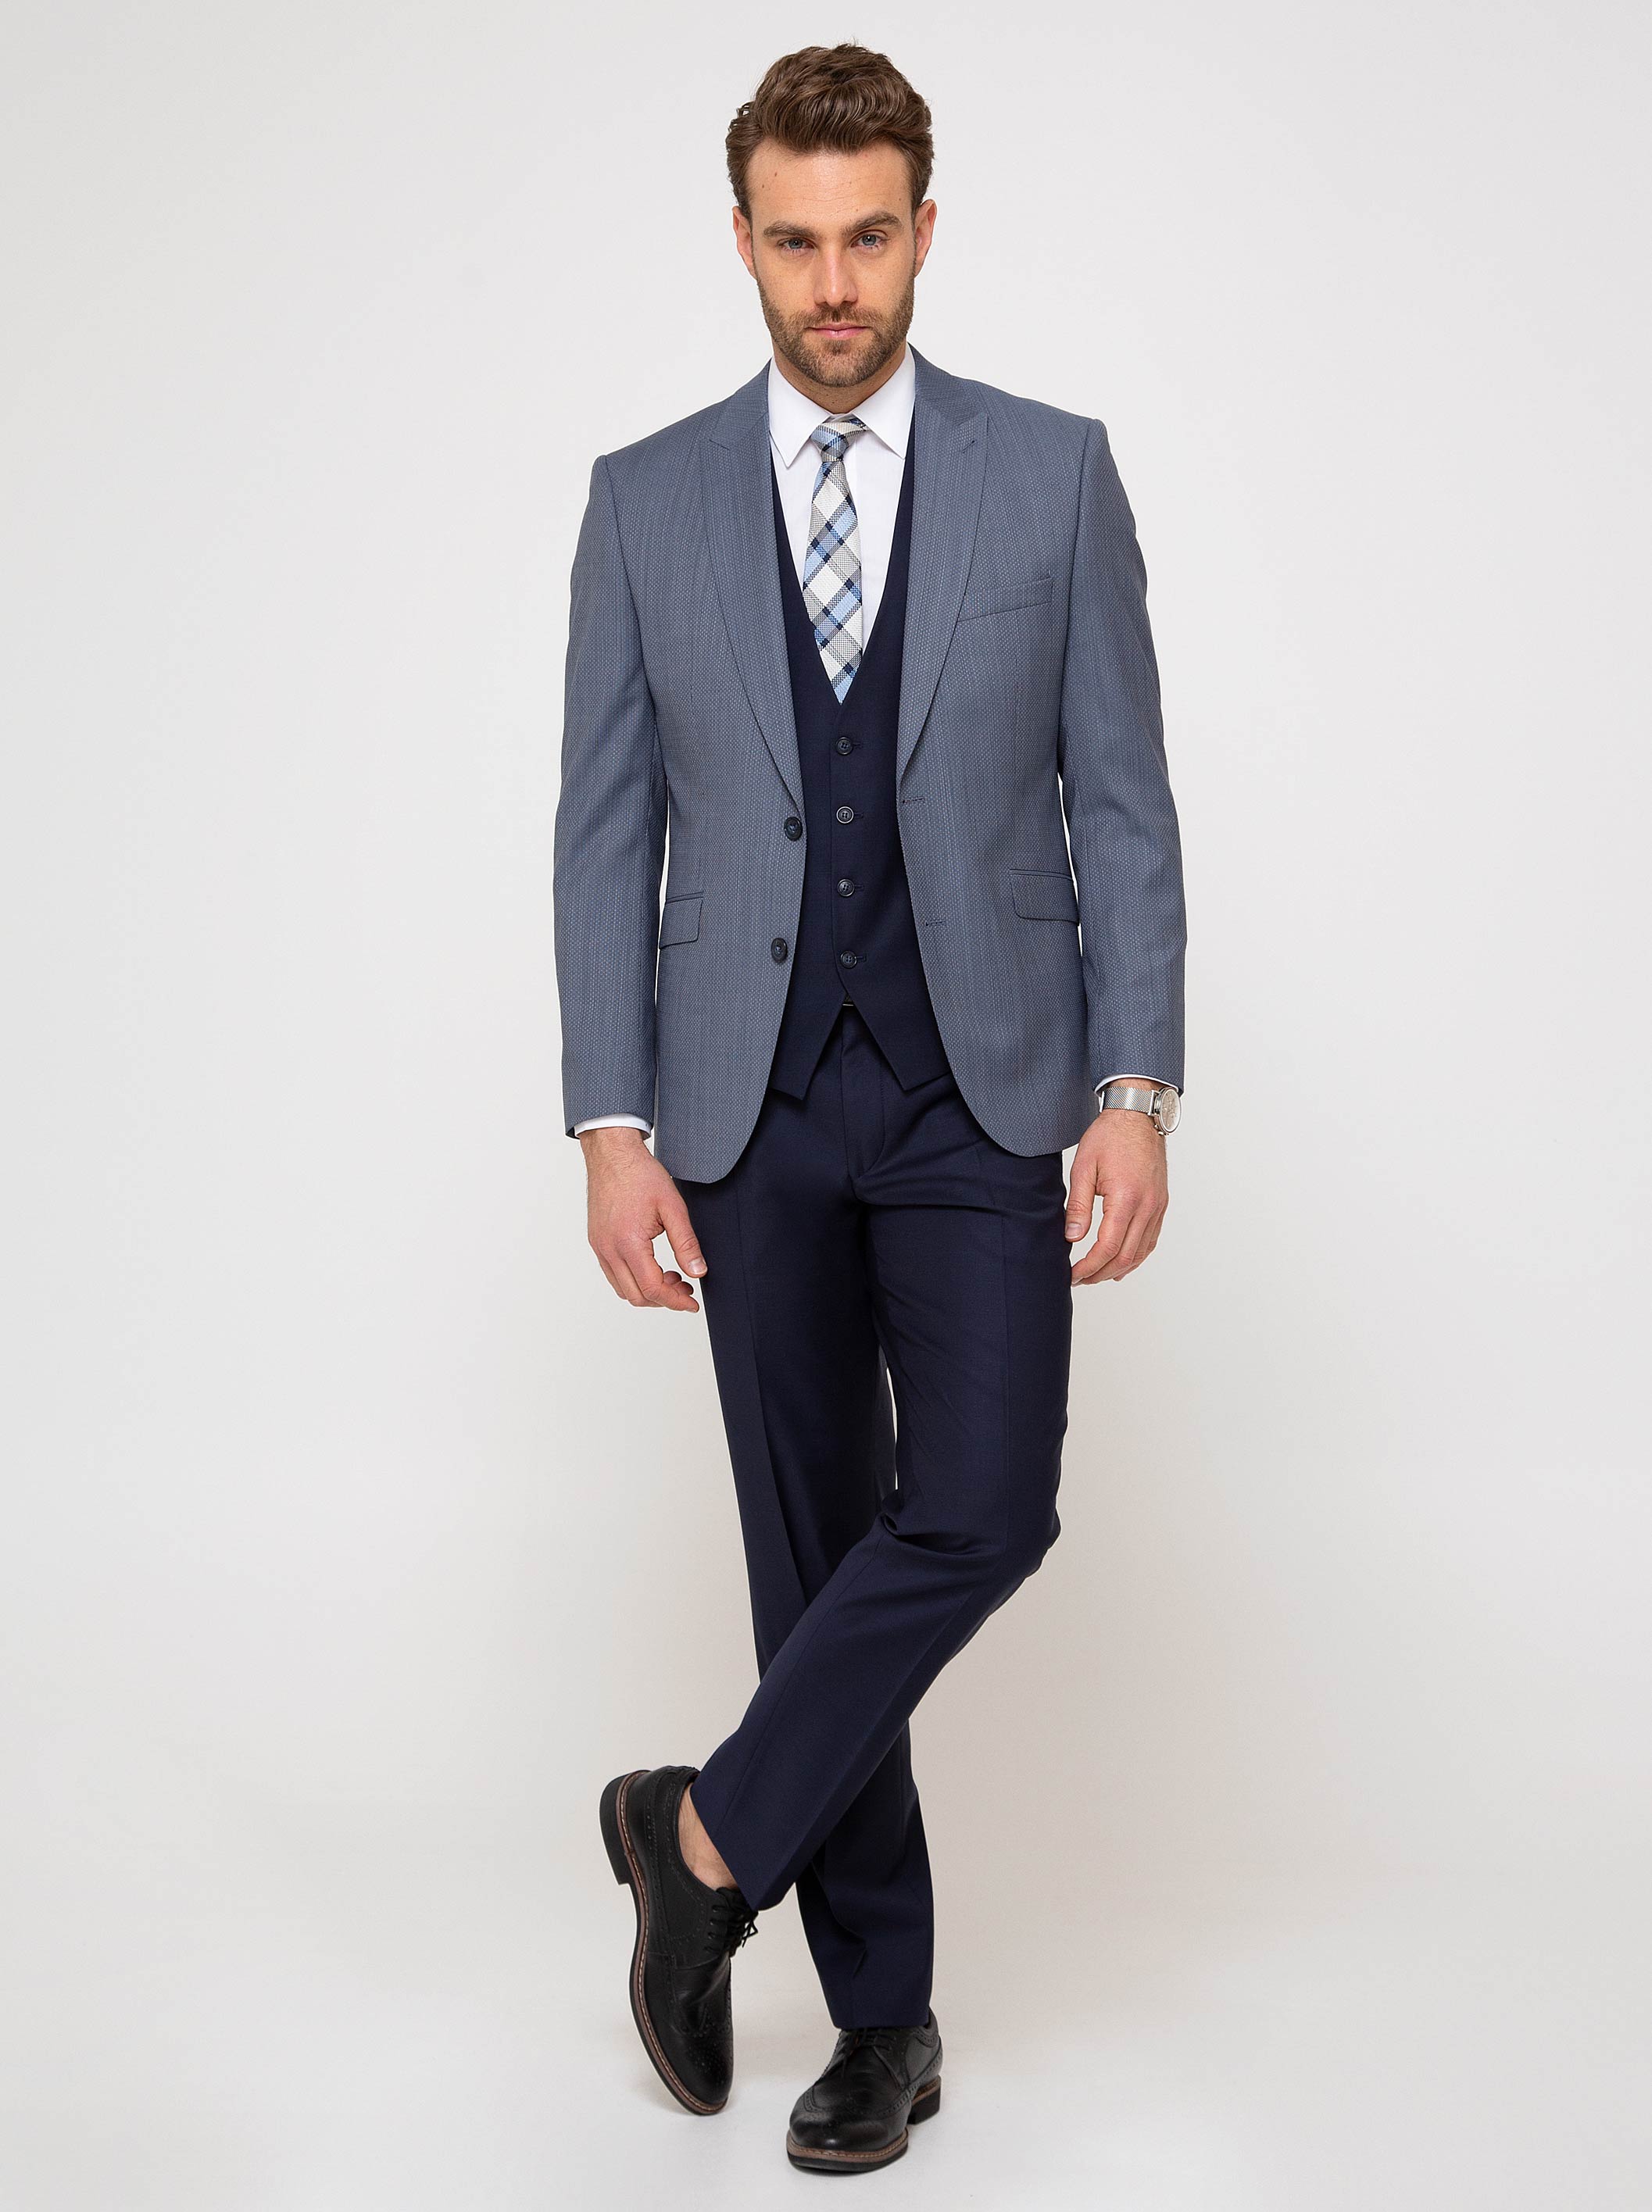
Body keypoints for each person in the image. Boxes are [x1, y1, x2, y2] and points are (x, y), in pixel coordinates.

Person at [554, 41, 1185, 2177]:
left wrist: (1133, 1087)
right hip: (740, 1108)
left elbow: (1122, 804)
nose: (836, 284)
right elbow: (604, 831)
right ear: (743, 240)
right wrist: (610, 1124)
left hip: (976, 1092)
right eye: (797, 241)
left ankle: (699, 1836)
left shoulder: (1051, 475)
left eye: (871, 236)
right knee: (815, 1555)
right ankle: (884, 2020)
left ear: (925, 228)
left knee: (982, 1506)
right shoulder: (643, 500)